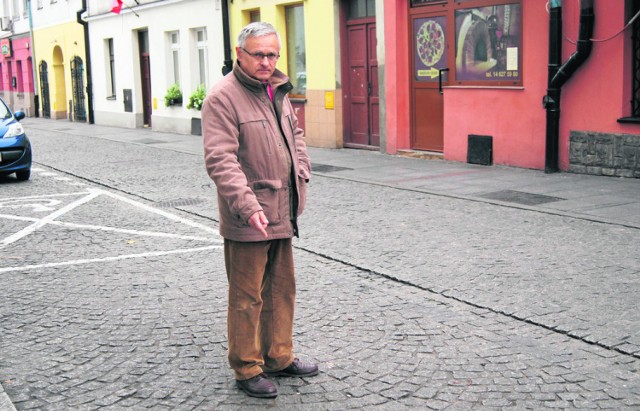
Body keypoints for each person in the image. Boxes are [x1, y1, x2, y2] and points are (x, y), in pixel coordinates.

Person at [201, 22, 316, 399]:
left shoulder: (277, 91)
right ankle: (247, 367)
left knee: (283, 289)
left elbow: (295, 135)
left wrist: (302, 169)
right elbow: (220, 159)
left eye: (272, 54)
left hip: (283, 208)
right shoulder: (223, 97)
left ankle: (279, 356)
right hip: (247, 216)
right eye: (259, 54)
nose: (267, 61)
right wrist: (248, 206)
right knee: (247, 295)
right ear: (240, 54)